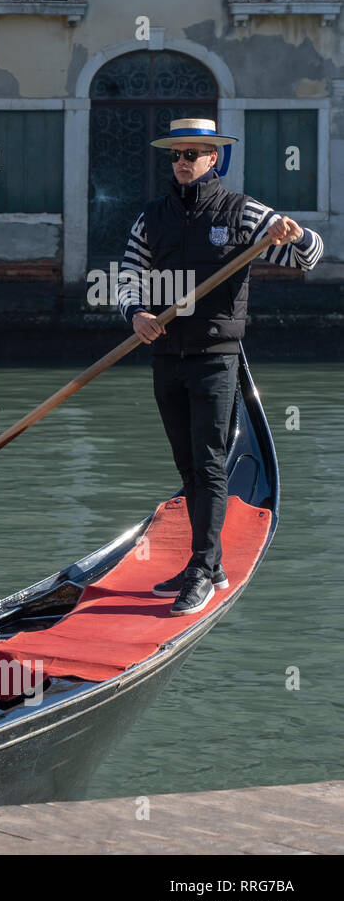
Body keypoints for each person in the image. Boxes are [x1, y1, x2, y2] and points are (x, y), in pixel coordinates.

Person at [117, 118, 323, 616]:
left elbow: (311, 256)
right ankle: (207, 564)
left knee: (209, 461)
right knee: (188, 465)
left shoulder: (242, 211)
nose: (183, 162)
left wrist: (291, 234)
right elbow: (128, 275)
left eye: (194, 154)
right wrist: (136, 314)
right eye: (176, 155)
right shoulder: (152, 216)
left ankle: (204, 569)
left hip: (215, 357)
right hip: (166, 356)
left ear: (214, 160)